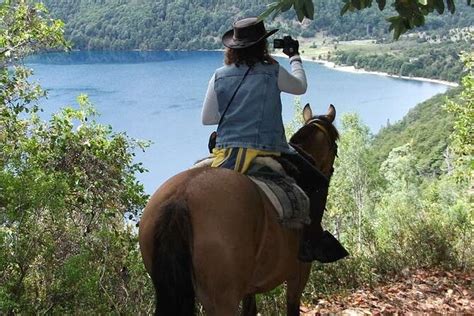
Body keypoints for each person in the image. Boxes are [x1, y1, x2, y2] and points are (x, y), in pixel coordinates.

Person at [201, 17, 347, 263]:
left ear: (233, 48)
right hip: (269, 150)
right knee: (318, 182)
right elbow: (300, 87)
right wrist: (295, 57)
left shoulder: (219, 75)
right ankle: (310, 241)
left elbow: (208, 118)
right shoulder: (272, 71)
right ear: (262, 46)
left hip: (226, 153)